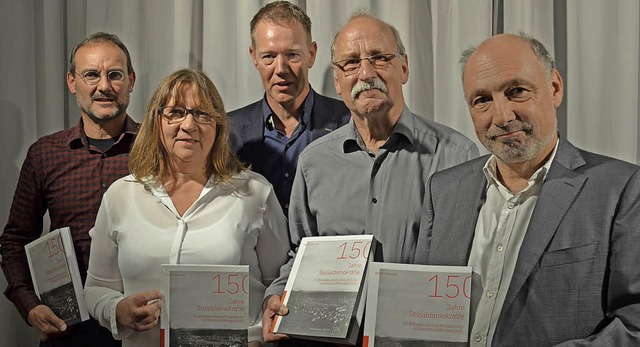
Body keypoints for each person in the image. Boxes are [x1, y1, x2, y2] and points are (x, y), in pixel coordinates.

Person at [262, 11, 479, 344]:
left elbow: (472, 265)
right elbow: (299, 255)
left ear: (403, 68)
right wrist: (276, 298)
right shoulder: (314, 163)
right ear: (337, 80)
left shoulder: (457, 158)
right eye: (350, 63)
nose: (365, 73)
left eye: (380, 58)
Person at [414, 33, 640, 345]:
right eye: (482, 100)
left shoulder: (623, 189)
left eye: (517, 91)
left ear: (555, 88)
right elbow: (422, 310)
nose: (502, 116)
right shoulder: (444, 191)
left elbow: (635, 324)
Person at [83, 68, 291, 347]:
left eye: (202, 114)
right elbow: (97, 288)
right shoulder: (120, 196)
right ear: (157, 122)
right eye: (176, 112)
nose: (189, 125)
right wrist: (116, 311)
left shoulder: (255, 192)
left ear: (218, 126)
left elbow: (278, 280)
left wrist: (271, 310)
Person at [0, 32, 138, 346]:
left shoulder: (157, 149)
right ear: (72, 82)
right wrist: (29, 305)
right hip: (69, 330)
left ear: (131, 80)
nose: (104, 86)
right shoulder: (44, 154)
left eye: (114, 75)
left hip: (140, 326)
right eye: (91, 74)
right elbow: (16, 239)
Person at [228, 1, 350, 214]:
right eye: (269, 56)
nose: (281, 68)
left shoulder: (349, 122)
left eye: (292, 55)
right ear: (253, 56)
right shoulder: (227, 132)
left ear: (311, 54)